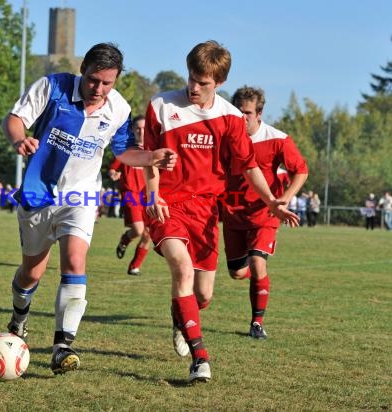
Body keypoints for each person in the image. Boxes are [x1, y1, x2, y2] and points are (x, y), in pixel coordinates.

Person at [1, 42, 177, 375]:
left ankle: (62, 345)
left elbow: (125, 153)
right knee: (32, 272)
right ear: (83, 70)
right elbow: (14, 119)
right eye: (94, 80)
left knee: (75, 260)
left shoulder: (119, 109)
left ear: (116, 80)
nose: (99, 89)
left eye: (107, 83)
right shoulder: (52, 87)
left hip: (80, 198)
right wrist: (18, 139)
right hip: (38, 195)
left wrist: (152, 156)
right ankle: (19, 319)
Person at [142, 41, 299, 383]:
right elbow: (151, 159)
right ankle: (201, 359)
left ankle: (180, 317)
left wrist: (272, 200)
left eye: (203, 82)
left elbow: (248, 167)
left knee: (203, 295)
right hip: (168, 206)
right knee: (182, 270)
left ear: (220, 82)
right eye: (191, 78)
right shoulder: (161, 106)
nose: (193, 87)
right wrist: (152, 195)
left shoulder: (229, 117)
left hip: (206, 211)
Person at [223, 86, 308, 342]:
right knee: (238, 273)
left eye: (247, 113)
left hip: (266, 213)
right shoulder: (226, 138)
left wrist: (284, 198)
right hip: (233, 212)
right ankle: (254, 275)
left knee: (259, 264)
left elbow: (300, 170)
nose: (242, 117)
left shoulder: (278, 139)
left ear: (259, 114)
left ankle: (256, 323)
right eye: (238, 112)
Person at [109, 115, 152, 276]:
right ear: (132, 130)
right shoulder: (126, 150)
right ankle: (125, 239)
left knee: (148, 235)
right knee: (139, 230)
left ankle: (134, 266)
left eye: (144, 129)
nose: (141, 132)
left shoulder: (153, 150)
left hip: (148, 197)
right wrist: (114, 173)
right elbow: (113, 168)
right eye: (138, 128)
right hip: (131, 194)